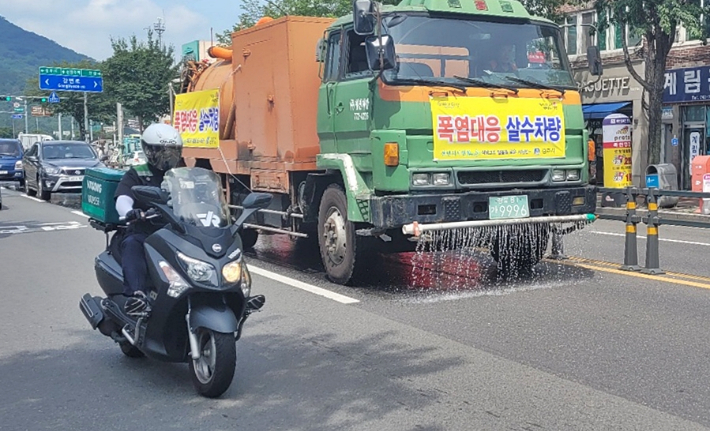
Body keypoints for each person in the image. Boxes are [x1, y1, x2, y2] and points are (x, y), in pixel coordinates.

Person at [114, 123, 183, 315]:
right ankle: (137, 296)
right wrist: (130, 212)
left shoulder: (183, 174)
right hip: (147, 230)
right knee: (133, 243)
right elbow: (123, 198)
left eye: (173, 151)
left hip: (179, 231)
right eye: (162, 151)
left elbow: (202, 197)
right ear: (149, 150)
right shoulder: (137, 173)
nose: (168, 156)